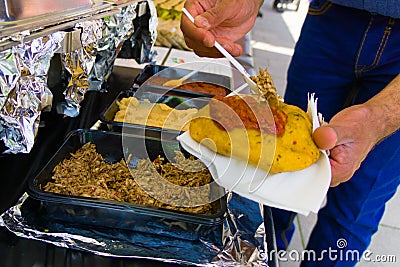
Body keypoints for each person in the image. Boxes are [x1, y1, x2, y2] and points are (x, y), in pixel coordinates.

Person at [180, 0, 400, 266]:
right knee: (275, 185)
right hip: (332, 17)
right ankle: (265, 256)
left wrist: (384, 115)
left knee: (355, 208)